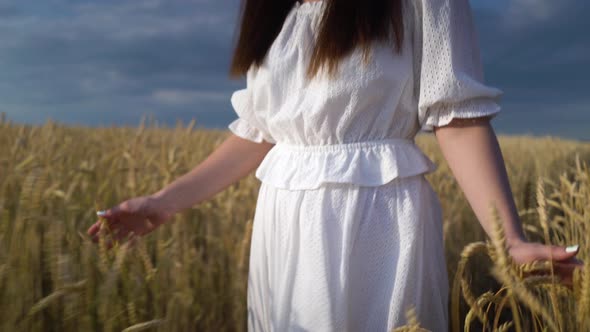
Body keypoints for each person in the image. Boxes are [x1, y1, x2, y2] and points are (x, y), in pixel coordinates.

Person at [87, 0, 584, 330]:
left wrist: (510, 240)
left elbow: (455, 114)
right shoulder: (271, 6)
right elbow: (262, 131)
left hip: (378, 216)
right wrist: (160, 204)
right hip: (282, 224)